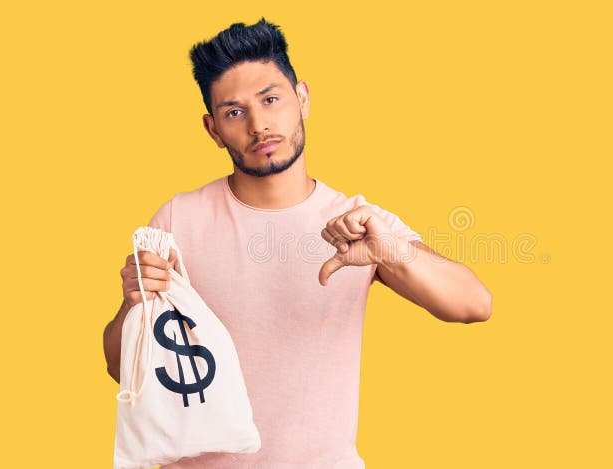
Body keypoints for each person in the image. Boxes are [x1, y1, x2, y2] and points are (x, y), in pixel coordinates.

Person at [103, 18, 492, 468]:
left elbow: (474, 304)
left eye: (271, 100)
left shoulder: (358, 222)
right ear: (213, 130)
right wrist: (133, 304)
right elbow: (122, 368)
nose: (259, 124)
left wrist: (391, 254)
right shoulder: (178, 219)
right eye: (234, 112)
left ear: (302, 99)